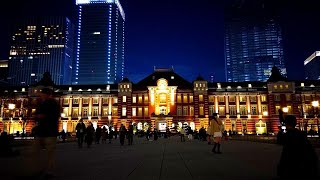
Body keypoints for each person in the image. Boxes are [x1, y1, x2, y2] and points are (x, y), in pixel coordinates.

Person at [32, 87, 61, 178]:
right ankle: (38, 168)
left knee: (50, 153)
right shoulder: (41, 103)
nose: (41, 94)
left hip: (50, 131)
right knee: (35, 151)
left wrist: (43, 116)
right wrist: (37, 116)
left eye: (42, 93)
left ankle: (49, 171)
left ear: (48, 94)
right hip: (41, 131)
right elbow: (36, 115)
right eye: (41, 93)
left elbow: (55, 116)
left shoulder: (54, 104)